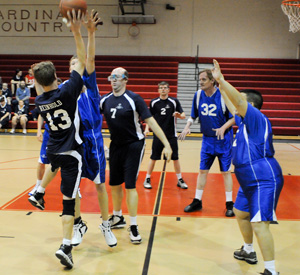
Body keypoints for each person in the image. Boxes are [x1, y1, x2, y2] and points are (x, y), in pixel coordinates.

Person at [29, 10, 117, 249]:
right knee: (73, 187)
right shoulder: (65, 90)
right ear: (69, 70)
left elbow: (90, 59)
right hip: (74, 143)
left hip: (94, 139)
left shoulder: (88, 83)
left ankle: (106, 224)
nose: (80, 64)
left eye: (79, 63)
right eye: (74, 63)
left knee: (99, 184)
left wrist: (90, 33)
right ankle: (78, 223)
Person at [211, 59, 283, 275]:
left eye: (241, 101)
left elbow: (238, 104)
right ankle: (248, 250)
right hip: (247, 179)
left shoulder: (256, 118)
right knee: (241, 213)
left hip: (263, 178)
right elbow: (233, 105)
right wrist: (219, 86)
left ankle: (271, 270)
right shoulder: (242, 121)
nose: (236, 104)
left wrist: (223, 80)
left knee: (260, 223)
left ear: (250, 105)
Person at [30, 9, 86, 269]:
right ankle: (66, 246)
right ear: (55, 77)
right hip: (72, 152)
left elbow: (40, 85)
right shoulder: (67, 91)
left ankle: (39, 191)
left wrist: (37, 75)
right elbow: (82, 62)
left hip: (52, 149)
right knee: (68, 201)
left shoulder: (40, 100)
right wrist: (76, 32)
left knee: (53, 166)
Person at [100, 67, 172, 244]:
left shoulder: (134, 99)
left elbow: (151, 122)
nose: (113, 80)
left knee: (130, 185)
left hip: (134, 145)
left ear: (125, 79)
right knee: (115, 184)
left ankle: (133, 225)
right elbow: (92, 121)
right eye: (111, 77)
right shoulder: (105, 100)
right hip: (115, 145)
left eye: (117, 77)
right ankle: (117, 217)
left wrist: (167, 144)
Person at [179, 69, 235, 217]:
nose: (201, 82)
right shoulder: (198, 95)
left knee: (225, 172)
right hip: (207, 140)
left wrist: (223, 127)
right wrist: (187, 126)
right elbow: (193, 115)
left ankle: (230, 204)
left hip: (224, 140)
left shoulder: (223, 96)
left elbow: (234, 117)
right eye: (200, 79)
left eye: (203, 79)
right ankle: (197, 201)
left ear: (212, 81)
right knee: (203, 171)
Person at [143, 81, 187, 189]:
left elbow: (183, 115)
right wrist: (147, 129)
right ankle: (147, 178)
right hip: (158, 135)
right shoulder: (154, 102)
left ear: (168, 89)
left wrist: (179, 116)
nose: (163, 89)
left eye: (165, 88)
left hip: (171, 135)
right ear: (158, 90)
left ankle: (180, 179)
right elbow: (150, 118)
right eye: (161, 88)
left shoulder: (174, 101)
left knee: (175, 158)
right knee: (153, 157)